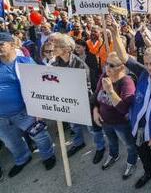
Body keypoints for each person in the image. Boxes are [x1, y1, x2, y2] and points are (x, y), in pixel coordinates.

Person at [108, 14, 151, 193]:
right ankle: (148, 173)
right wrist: (115, 33)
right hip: (138, 127)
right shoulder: (144, 72)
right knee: (143, 154)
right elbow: (124, 57)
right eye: (147, 63)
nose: (150, 67)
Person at [0, 32, 56, 178]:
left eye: (1, 44)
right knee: (10, 142)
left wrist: (39, 110)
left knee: (39, 135)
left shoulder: (25, 62)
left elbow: (38, 87)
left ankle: (48, 155)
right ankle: (22, 158)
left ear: (12, 45)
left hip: (23, 112)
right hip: (1, 117)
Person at [51, 34, 106, 163]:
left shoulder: (79, 64)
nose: (54, 48)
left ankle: (100, 147)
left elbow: (86, 87)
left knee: (92, 128)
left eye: (57, 46)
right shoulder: (55, 64)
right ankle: (78, 142)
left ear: (66, 49)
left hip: (84, 101)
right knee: (74, 125)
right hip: (67, 101)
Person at [93, 52, 138, 178]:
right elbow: (95, 96)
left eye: (112, 65)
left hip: (121, 123)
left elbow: (124, 108)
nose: (107, 67)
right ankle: (114, 155)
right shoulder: (104, 75)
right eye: (106, 63)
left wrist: (111, 91)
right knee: (111, 142)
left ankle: (132, 162)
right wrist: (95, 110)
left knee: (129, 145)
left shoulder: (127, 82)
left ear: (122, 67)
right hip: (106, 121)